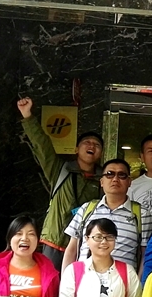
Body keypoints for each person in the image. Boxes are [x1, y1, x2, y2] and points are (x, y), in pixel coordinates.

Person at [16, 97, 103, 269]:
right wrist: (28, 116)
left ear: (101, 153)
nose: (91, 146)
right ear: (76, 149)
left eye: (97, 145)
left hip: (85, 245)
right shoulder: (60, 170)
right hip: (55, 241)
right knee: (51, 281)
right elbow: (43, 146)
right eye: (87, 142)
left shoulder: (103, 180)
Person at [63, 158, 147, 269]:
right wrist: (66, 278)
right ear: (102, 181)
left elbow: (145, 255)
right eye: (109, 174)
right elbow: (72, 249)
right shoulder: (86, 209)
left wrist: (138, 280)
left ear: (129, 182)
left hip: (124, 278)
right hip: (84, 277)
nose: (115, 179)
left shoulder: (142, 214)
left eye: (121, 175)